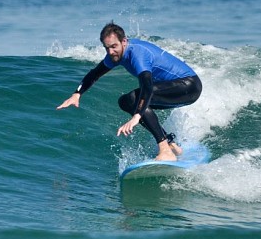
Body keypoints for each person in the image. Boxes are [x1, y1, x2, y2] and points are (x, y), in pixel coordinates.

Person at [57, 23, 202, 161]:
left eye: (114, 46)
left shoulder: (137, 53)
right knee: (126, 102)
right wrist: (77, 94)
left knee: (135, 98)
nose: (110, 52)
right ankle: (171, 145)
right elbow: (95, 74)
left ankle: (165, 150)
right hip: (178, 89)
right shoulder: (114, 56)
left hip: (188, 86)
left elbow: (147, 87)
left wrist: (137, 116)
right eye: (106, 48)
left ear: (124, 41)